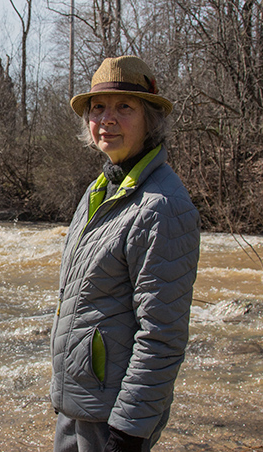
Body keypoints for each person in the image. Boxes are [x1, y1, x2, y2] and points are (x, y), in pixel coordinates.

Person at [50, 55, 201, 452]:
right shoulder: (100, 189)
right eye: (98, 107)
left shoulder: (162, 206)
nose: (107, 119)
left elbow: (163, 335)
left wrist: (129, 433)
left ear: (151, 119)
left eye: (124, 107)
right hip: (79, 405)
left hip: (113, 420)